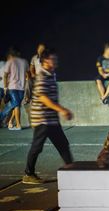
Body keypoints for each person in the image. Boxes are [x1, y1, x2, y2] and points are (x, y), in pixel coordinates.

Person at [23, 48, 74, 184]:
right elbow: (43, 98)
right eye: (53, 59)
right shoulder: (42, 76)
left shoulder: (51, 75)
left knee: (63, 144)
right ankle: (28, 174)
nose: (56, 61)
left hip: (51, 119)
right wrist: (62, 110)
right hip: (42, 119)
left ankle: (72, 171)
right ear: (45, 61)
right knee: (37, 146)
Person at [0, 47, 30, 130]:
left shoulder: (10, 61)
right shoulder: (25, 62)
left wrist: (5, 87)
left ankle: (16, 125)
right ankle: (14, 123)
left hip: (12, 87)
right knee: (16, 105)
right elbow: (29, 74)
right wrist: (25, 80)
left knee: (15, 105)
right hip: (22, 88)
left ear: (11, 54)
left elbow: (5, 75)